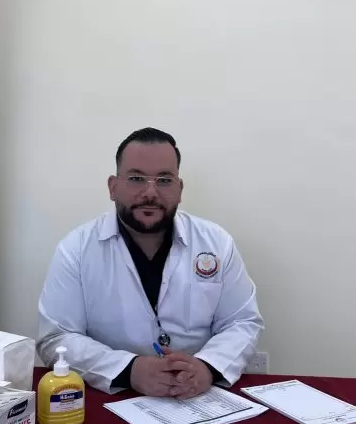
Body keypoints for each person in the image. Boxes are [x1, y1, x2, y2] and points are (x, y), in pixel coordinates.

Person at [36, 128, 264, 400]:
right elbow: (56, 338)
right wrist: (128, 369)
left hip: (198, 396)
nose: (150, 192)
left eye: (164, 180)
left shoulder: (216, 243)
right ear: (113, 187)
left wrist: (207, 367)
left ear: (180, 189)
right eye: (136, 178)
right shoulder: (76, 249)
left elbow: (242, 322)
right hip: (115, 395)